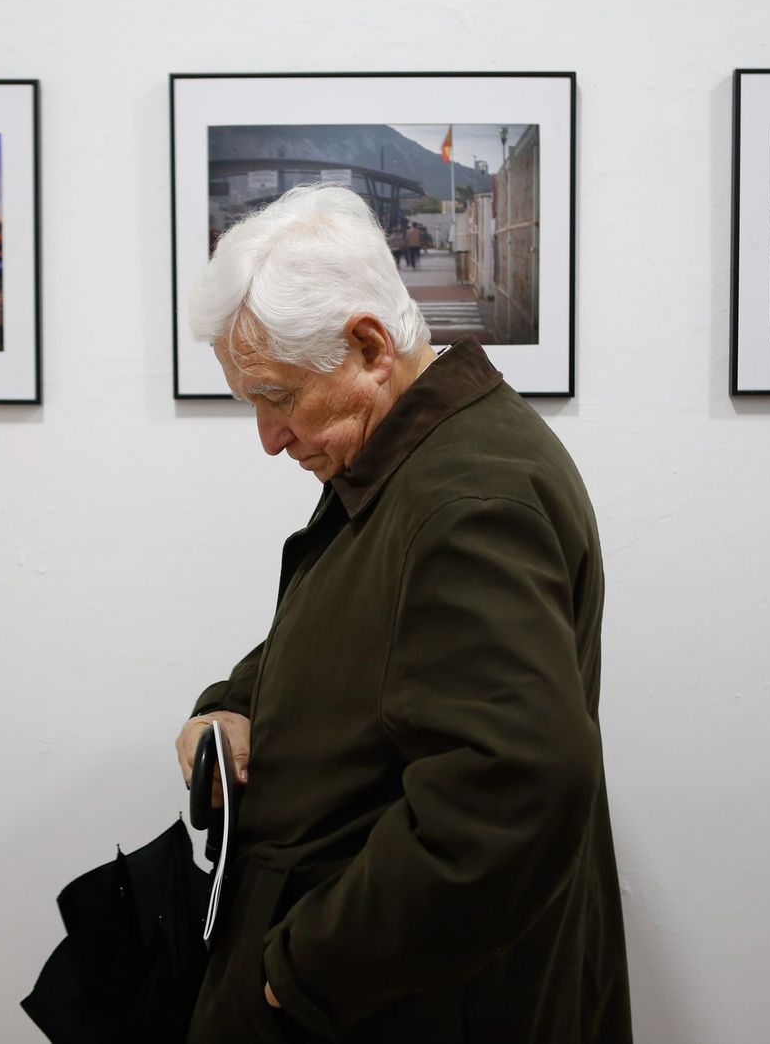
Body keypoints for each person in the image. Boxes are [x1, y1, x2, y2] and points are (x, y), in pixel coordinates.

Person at [173, 184, 630, 1043]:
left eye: (278, 396)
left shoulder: (465, 500)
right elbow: (354, 627)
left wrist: (295, 975)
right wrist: (231, 704)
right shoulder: (409, 458)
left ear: (369, 347)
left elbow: (508, 796)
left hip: (403, 1010)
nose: (268, 437)